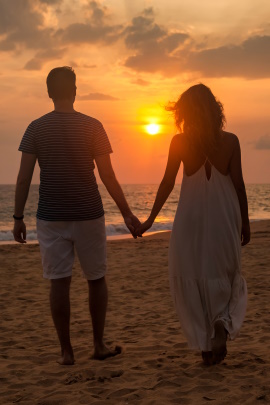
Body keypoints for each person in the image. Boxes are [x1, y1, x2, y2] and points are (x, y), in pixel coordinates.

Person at [13, 66, 141, 365]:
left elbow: (22, 178)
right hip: (88, 213)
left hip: (51, 215)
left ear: (49, 93)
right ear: (74, 91)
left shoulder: (36, 127)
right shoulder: (93, 126)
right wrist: (126, 212)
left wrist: (18, 217)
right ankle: (97, 345)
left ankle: (66, 352)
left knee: (59, 282)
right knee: (96, 279)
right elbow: (107, 175)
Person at [136, 84, 250, 365]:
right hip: (225, 216)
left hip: (191, 217)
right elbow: (239, 186)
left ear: (185, 112)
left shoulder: (179, 141)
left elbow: (166, 183)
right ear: (215, 110)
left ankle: (206, 346)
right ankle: (220, 325)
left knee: (193, 273)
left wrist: (150, 218)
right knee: (223, 272)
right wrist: (245, 222)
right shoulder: (231, 141)